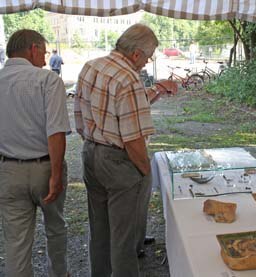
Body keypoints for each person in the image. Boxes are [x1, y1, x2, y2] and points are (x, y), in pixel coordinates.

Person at [74, 23, 177, 277]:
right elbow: (133, 140)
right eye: (148, 56)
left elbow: (81, 113)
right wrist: (144, 171)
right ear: (136, 54)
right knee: (123, 237)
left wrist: (156, 91)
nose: (147, 62)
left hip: (90, 152)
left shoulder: (92, 65)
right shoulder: (128, 78)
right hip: (118, 162)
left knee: (99, 229)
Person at [0, 29, 71, 277]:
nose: (45, 55)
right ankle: (59, 274)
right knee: (55, 228)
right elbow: (56, 131)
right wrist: (55, 174)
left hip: (9, 169)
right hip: (44, 167)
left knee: (16, 242)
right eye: (43, 49)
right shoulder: (48, 80)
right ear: (33, 48)